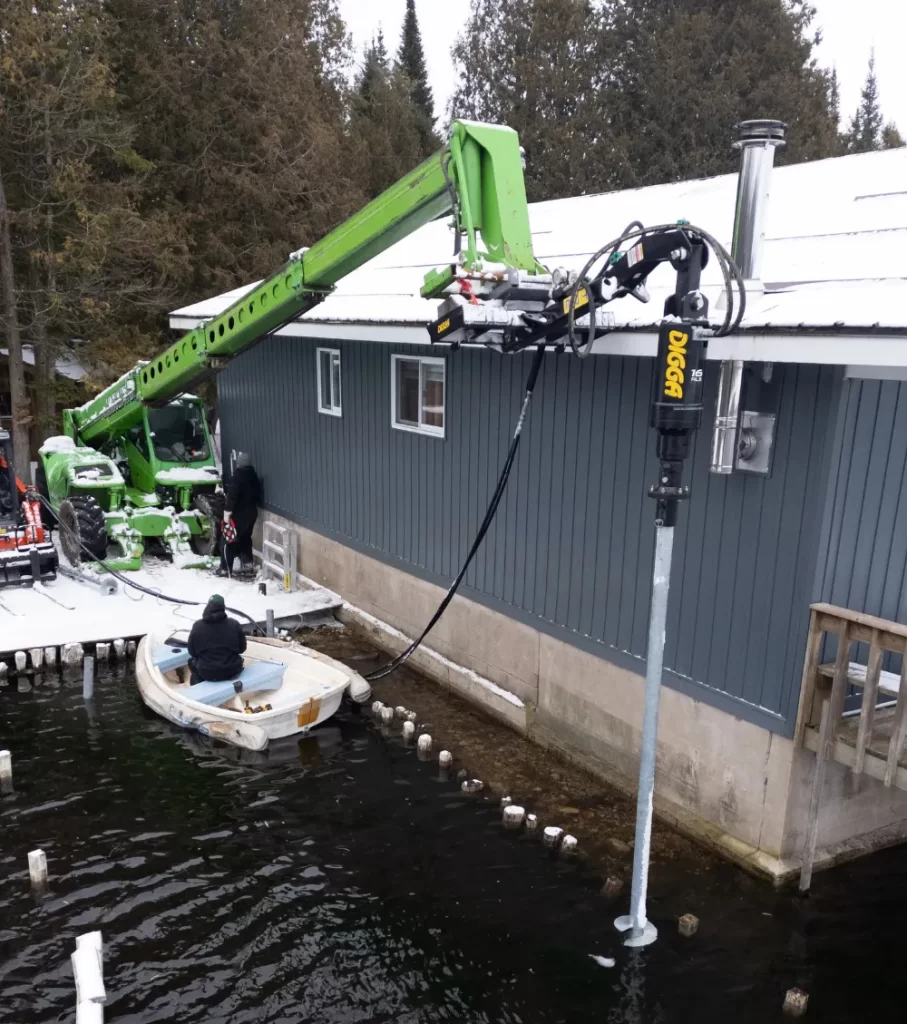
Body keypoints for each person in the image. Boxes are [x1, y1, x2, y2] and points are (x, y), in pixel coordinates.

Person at [218, 450, 262, 576]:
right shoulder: (254, 476)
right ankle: (247, 565)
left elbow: (231, 497)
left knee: (227, 540)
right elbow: (257, 496)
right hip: (252, 513)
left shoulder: (236, 478)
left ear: (239, 463)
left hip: (239, 514)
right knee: (245, 538)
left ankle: (225, 568)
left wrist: (227, 513)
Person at [187, 594, 246, 683]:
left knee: (191, 662)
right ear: (223, 607)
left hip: (207, 672)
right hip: (232, 670)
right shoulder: (234, 624)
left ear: (208, 607)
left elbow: (192, 652)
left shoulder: (197, 626)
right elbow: (242, 649)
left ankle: (197, 687)